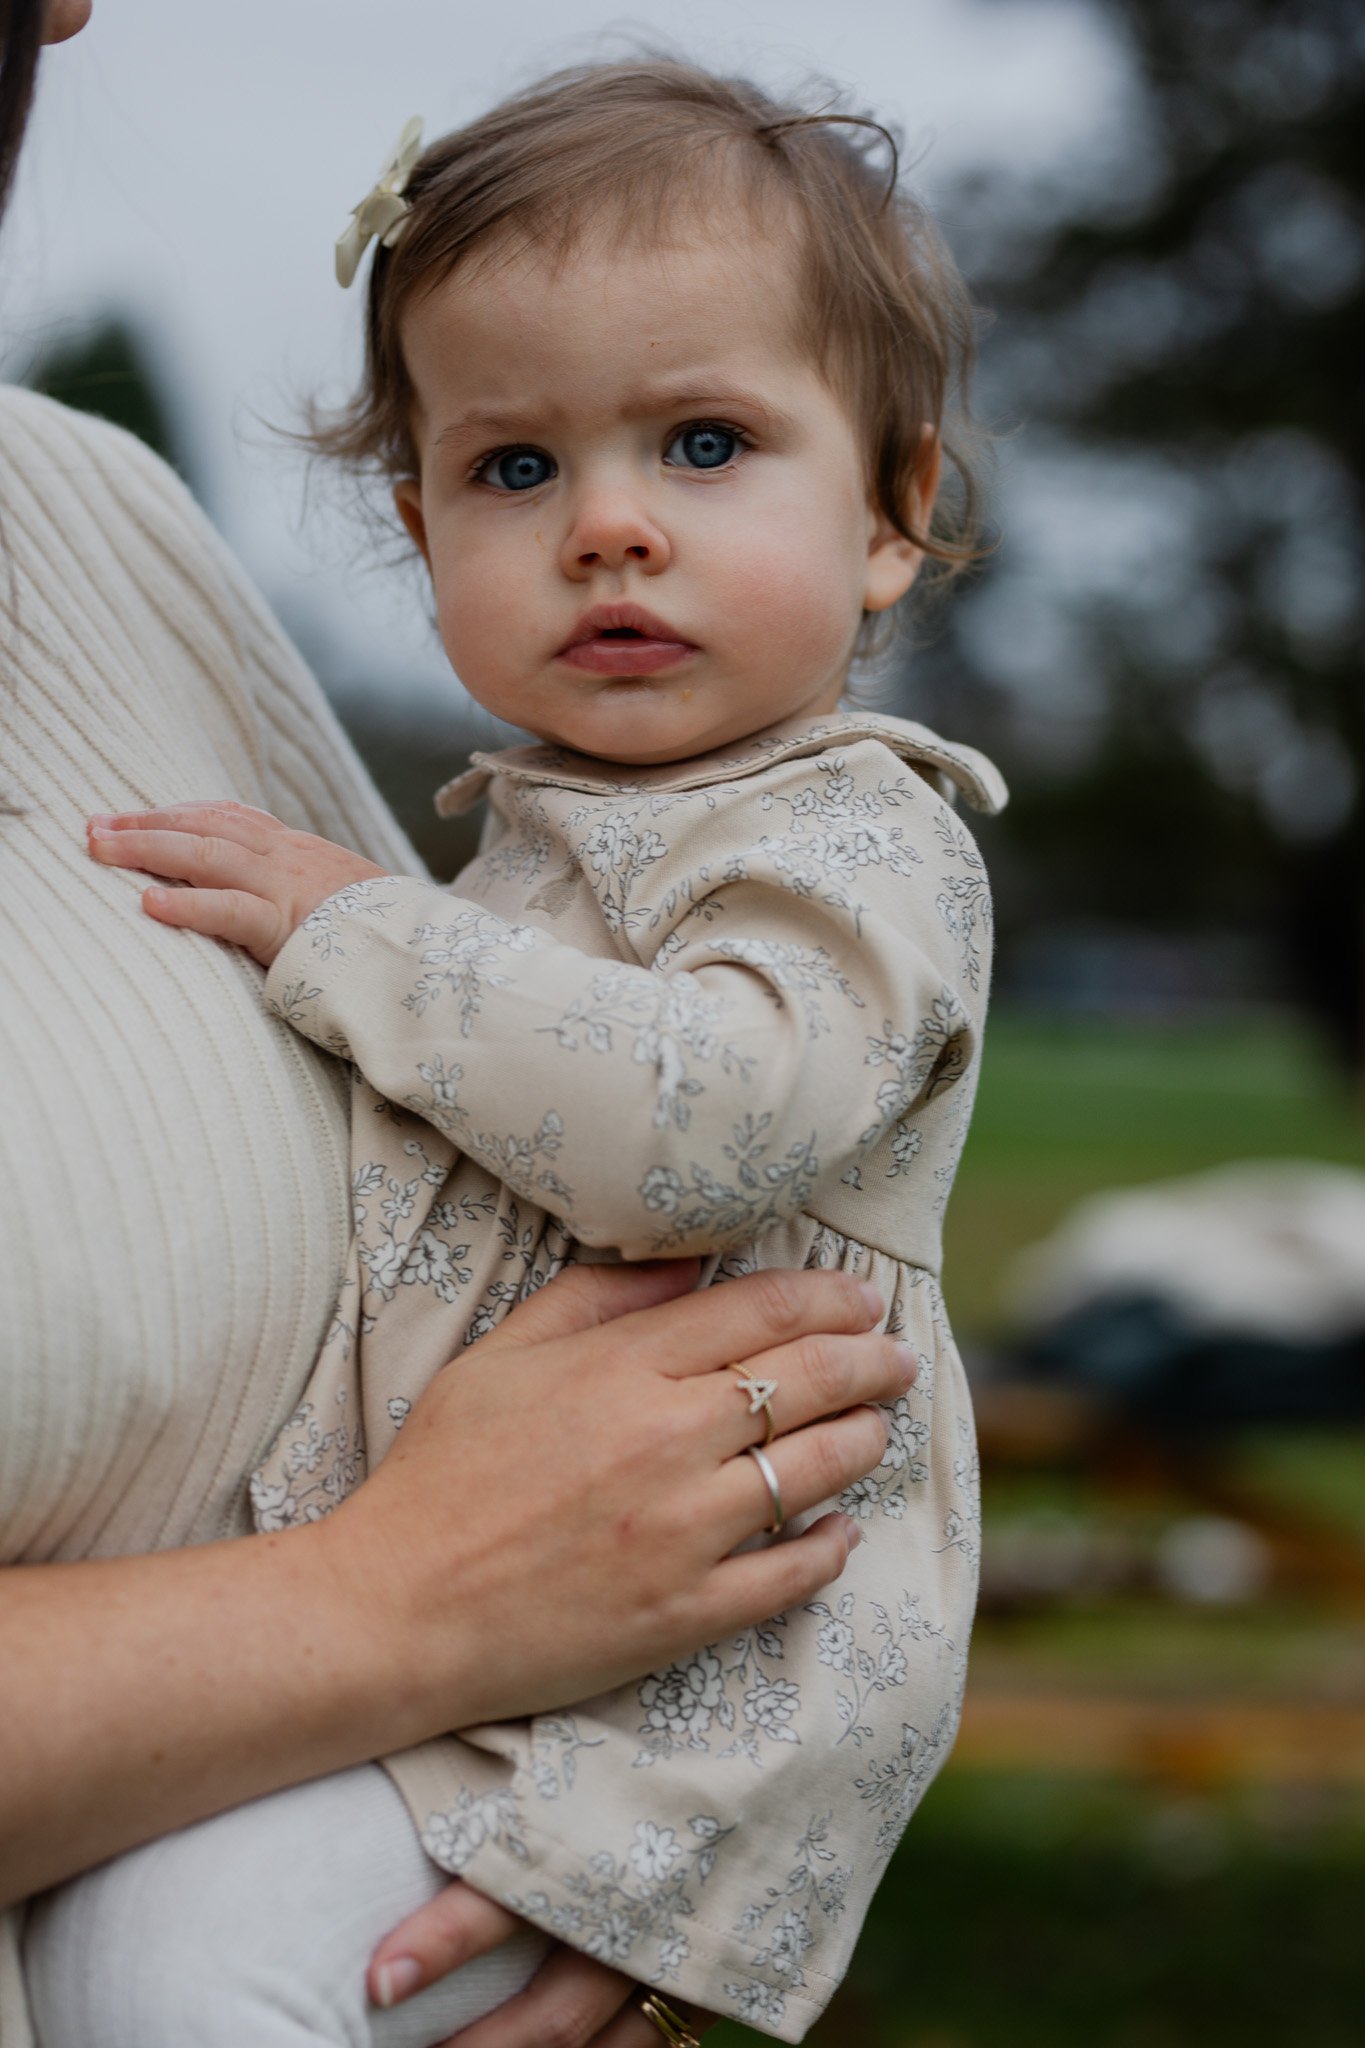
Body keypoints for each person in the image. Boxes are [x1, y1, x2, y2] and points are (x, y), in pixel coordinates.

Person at [55, 56, 1007, 2048]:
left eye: (702, 441)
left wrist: (352, 933)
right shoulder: (535, 841)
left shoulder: (852, 831)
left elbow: (708, 1121)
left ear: (893, 510)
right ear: (414, 528)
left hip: (647, 1701)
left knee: (182, 1979)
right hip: (456, 1665)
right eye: (511, 470)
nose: (607, 530)